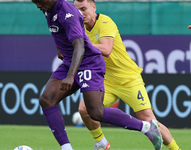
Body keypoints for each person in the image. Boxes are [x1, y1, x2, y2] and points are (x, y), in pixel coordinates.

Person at [31, 0, 163, 150]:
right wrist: (59, 49)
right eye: (34, 2)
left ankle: (146, 127)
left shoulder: (68, 12)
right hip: (70, 61)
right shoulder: (47, 8)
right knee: (46, 99)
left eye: (39, 1)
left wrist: (70, 75)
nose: (37, 5)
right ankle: (66, 148)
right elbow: (57, 31)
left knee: (95, 112)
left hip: (89, 62)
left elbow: (80, 46)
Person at [73, 0, 181, 150]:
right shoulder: (79, 28)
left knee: (149, 120)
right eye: (77, 10)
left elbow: (106, 49)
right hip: (106, 81)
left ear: (93, 7)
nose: (80, 13)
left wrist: (80, 45)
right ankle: (101, 143)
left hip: (128, 79)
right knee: (84, 109)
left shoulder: (105, 22)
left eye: (84, 9)